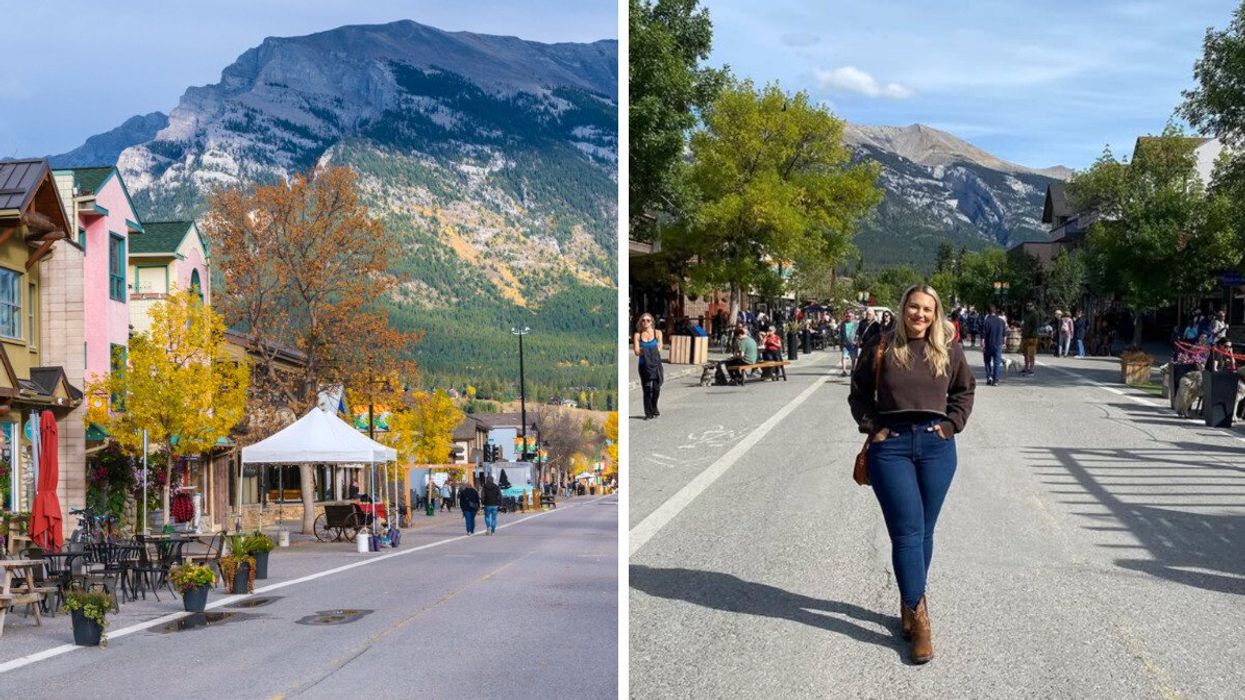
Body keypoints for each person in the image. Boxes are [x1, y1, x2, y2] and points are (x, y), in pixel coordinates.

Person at [848, 284, 975, 664]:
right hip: (893, 449)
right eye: (913, 307)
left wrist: (952, 425)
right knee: (906, 531)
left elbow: (964, 392)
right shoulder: (882, 345)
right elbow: (858, 393)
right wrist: (873, 426)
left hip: (937, 447)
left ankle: (908, 600)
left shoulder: (948, 349)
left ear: (936, 314)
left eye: (927, 309)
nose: (919, 314)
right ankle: (920, 618)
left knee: (925, 530)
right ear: (903, 309)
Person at [633, 313, 664, 420]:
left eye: (648, 320)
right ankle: (648, 413)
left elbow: (660, 348)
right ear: (640, 322)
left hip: (656, 364)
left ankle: (654, 406)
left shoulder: (658, 333)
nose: (645, 322)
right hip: (644, 365)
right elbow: (637, 352)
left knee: (656, 388)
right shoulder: (637, 335)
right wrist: (649, 350)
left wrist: (645, 350)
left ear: (652, 322)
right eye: (643, 320)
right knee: (646, 389)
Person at [981, 305, 1007, 386]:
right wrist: (1004, 343)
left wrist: (982, 344)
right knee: (997, 363)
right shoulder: (1001, 321)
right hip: (998, 344)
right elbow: (1004, 334)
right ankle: (996, 380)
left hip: (989, 344)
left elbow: (983, 335)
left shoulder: (986, 322)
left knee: (987, 361)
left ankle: (989, 377)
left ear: (988, 312)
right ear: (995, 311)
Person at [1021, 303, 1040, 375]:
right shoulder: (1026, 314)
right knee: (1025, 353)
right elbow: (1024, 323)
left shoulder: (1035, 314)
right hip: (1025, 336)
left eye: (1030, 306)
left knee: (1031, 353)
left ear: (1033, 306)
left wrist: (1030, 332)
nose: (1028, 307)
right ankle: (1026, 367)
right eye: (1027, 306)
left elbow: (1035, 326)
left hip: (1032, 337)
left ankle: (1031, 368)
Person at [840, 311, 859, 377]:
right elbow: (841, 334)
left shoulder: (856, 324)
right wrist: (840, 343)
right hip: (845, 343)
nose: (848, 317)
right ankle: (844, 371)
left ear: (853, 317)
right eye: (847, 316)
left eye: (850, 316)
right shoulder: (843, 324)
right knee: (844, 357)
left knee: (853, 358)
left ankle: (852, 370)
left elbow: (858, 333)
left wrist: (856, 341)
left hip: (853, 343)